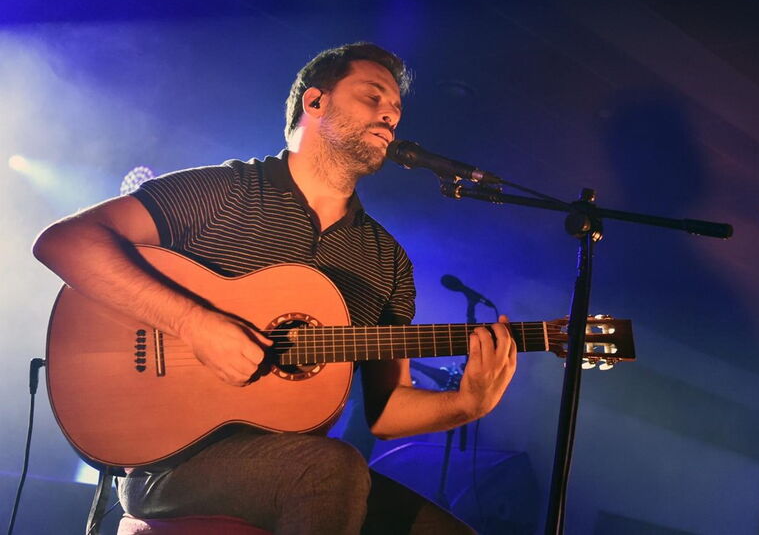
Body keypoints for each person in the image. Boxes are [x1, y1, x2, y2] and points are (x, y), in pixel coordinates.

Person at [33, 42, 517, 534]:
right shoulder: (225, 192)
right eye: (373, 98)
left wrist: (467, 403)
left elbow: (386, 409)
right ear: (315, 102)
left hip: (291, 461)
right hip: (170, 461)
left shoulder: (387, 261)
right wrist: (195, 324)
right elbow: (65, 242)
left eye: (395, 111)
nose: (389, 117)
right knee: (332, 466)